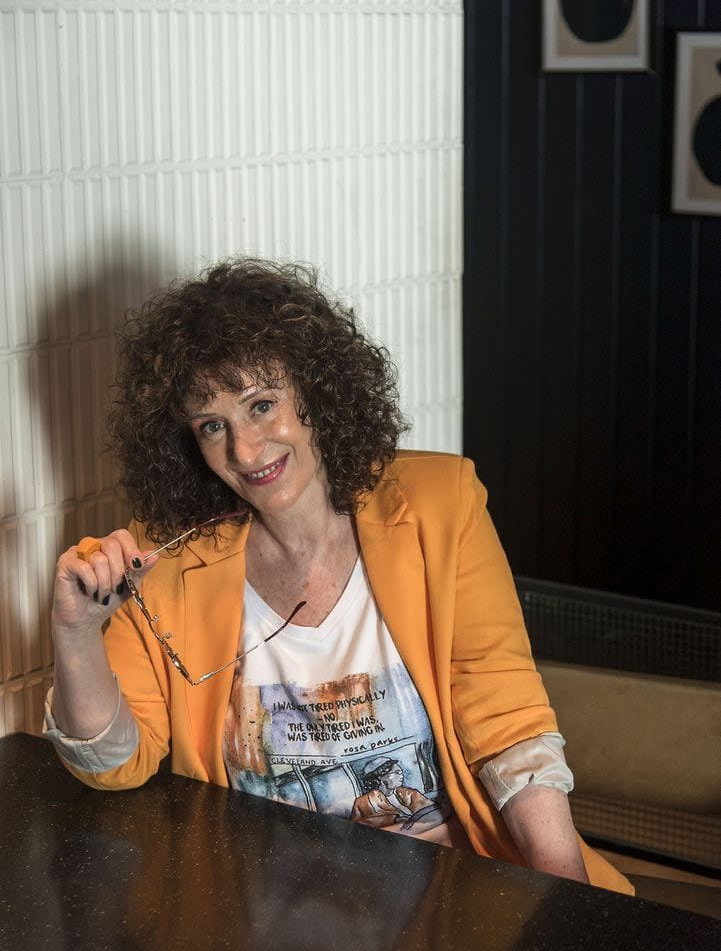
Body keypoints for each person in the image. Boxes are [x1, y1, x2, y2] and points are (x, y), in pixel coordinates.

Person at [46, 258, 632, 894]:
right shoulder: (165, 562)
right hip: (258, 905)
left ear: (316, 391)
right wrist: (75, 632)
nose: (245, 450)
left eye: (262, 405)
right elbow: (113, 766)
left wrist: (568, 903)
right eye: (213, 426)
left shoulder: (441, 504)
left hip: (450, 892)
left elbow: (507, 720)